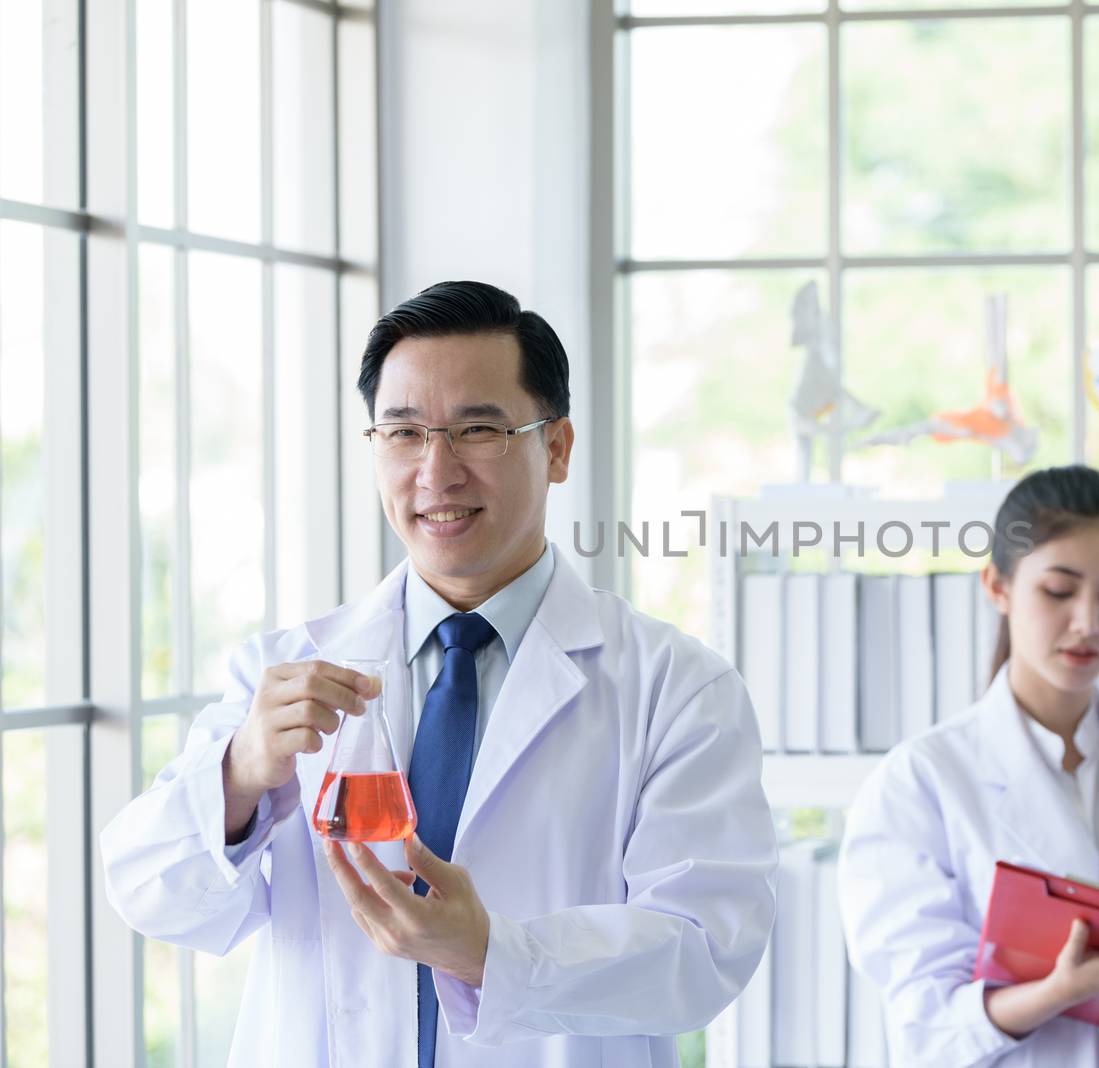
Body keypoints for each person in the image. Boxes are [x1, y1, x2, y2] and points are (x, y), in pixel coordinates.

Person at [101, 281, 778, 1068]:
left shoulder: (675, 687)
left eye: (478, 430)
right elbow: (152, 894)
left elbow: (706, 948)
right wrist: (241, 775)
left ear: (556, 448)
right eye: (403, 433)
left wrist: (492, 952)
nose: (436, 470)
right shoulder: (282, 673)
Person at [837, 465, 1099, 1066]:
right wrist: (1063, 989)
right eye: (1059, 591)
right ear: (998, 586)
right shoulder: (922, 781)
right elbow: (926, 1026)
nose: (1089, 622)